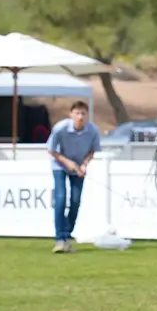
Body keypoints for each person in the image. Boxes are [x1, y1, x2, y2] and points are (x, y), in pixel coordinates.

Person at [46, 100, 101, 253]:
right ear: (71, 114)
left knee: (75, 201)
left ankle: (66, 235)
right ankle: (60, 238)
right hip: (60, 165)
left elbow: (93, 150)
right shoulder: (60, 128)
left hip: (78, 168)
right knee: (60, 198)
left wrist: (84, 164)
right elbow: (51, 150)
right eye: (77, 113)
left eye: (83, 113)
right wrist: (68, 163)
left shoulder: (93, 130)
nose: (80, 117)